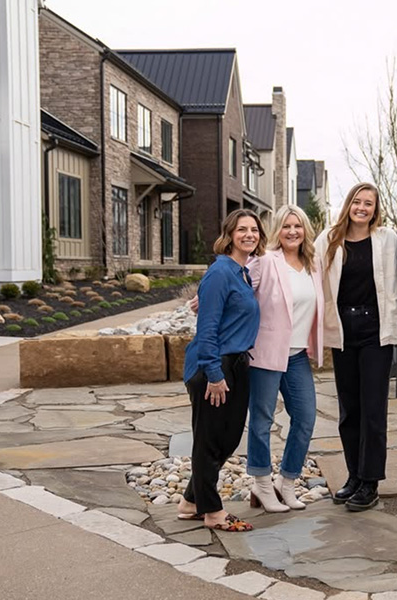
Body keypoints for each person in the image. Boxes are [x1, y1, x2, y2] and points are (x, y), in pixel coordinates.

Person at [314, 182, 397, 511]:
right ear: (348, 204)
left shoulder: (387, 239)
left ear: (375, 208)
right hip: (343, 331)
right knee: (349, 410)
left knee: (373, 410)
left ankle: (370, 481)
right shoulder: (328, 239)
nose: (362, 208)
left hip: (375, 332)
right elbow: (306, 273)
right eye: (357, 201)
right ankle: (353, 474)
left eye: (369, 203)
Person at [178, 209, 265, 532]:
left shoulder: (241, 272)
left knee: (225, 439)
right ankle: (212, 511)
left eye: (254, 230)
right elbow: (208, 328)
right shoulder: (220, 273)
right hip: (215, 366)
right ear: (229, 235)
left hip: (237, 363)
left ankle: (189, 502)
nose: (249, 235)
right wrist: (214, 374)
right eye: (242, 230)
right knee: (210, 441)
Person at [246, 205, 325, 512]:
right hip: (265, 353)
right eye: (286, 226)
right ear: (277, 230)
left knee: (305, 419)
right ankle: (262, 485)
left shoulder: (312, 263)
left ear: (306, 230)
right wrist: (206, 297)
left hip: (297, 356)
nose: (293, 231)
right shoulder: (265, 260)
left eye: (298, 226)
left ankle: (286, 483)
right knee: (262, 421)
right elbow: (237, 286)